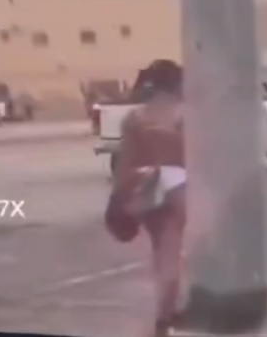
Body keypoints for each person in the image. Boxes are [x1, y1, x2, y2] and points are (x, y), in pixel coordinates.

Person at [110, 59, 188, 337]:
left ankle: (168, 309)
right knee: (171, 254)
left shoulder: (135, 118)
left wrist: (122, 196)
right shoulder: (186, 116)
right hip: (179, 188)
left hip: (146, 188)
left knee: (161, 252)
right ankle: (165, 317)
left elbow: (124, 164)